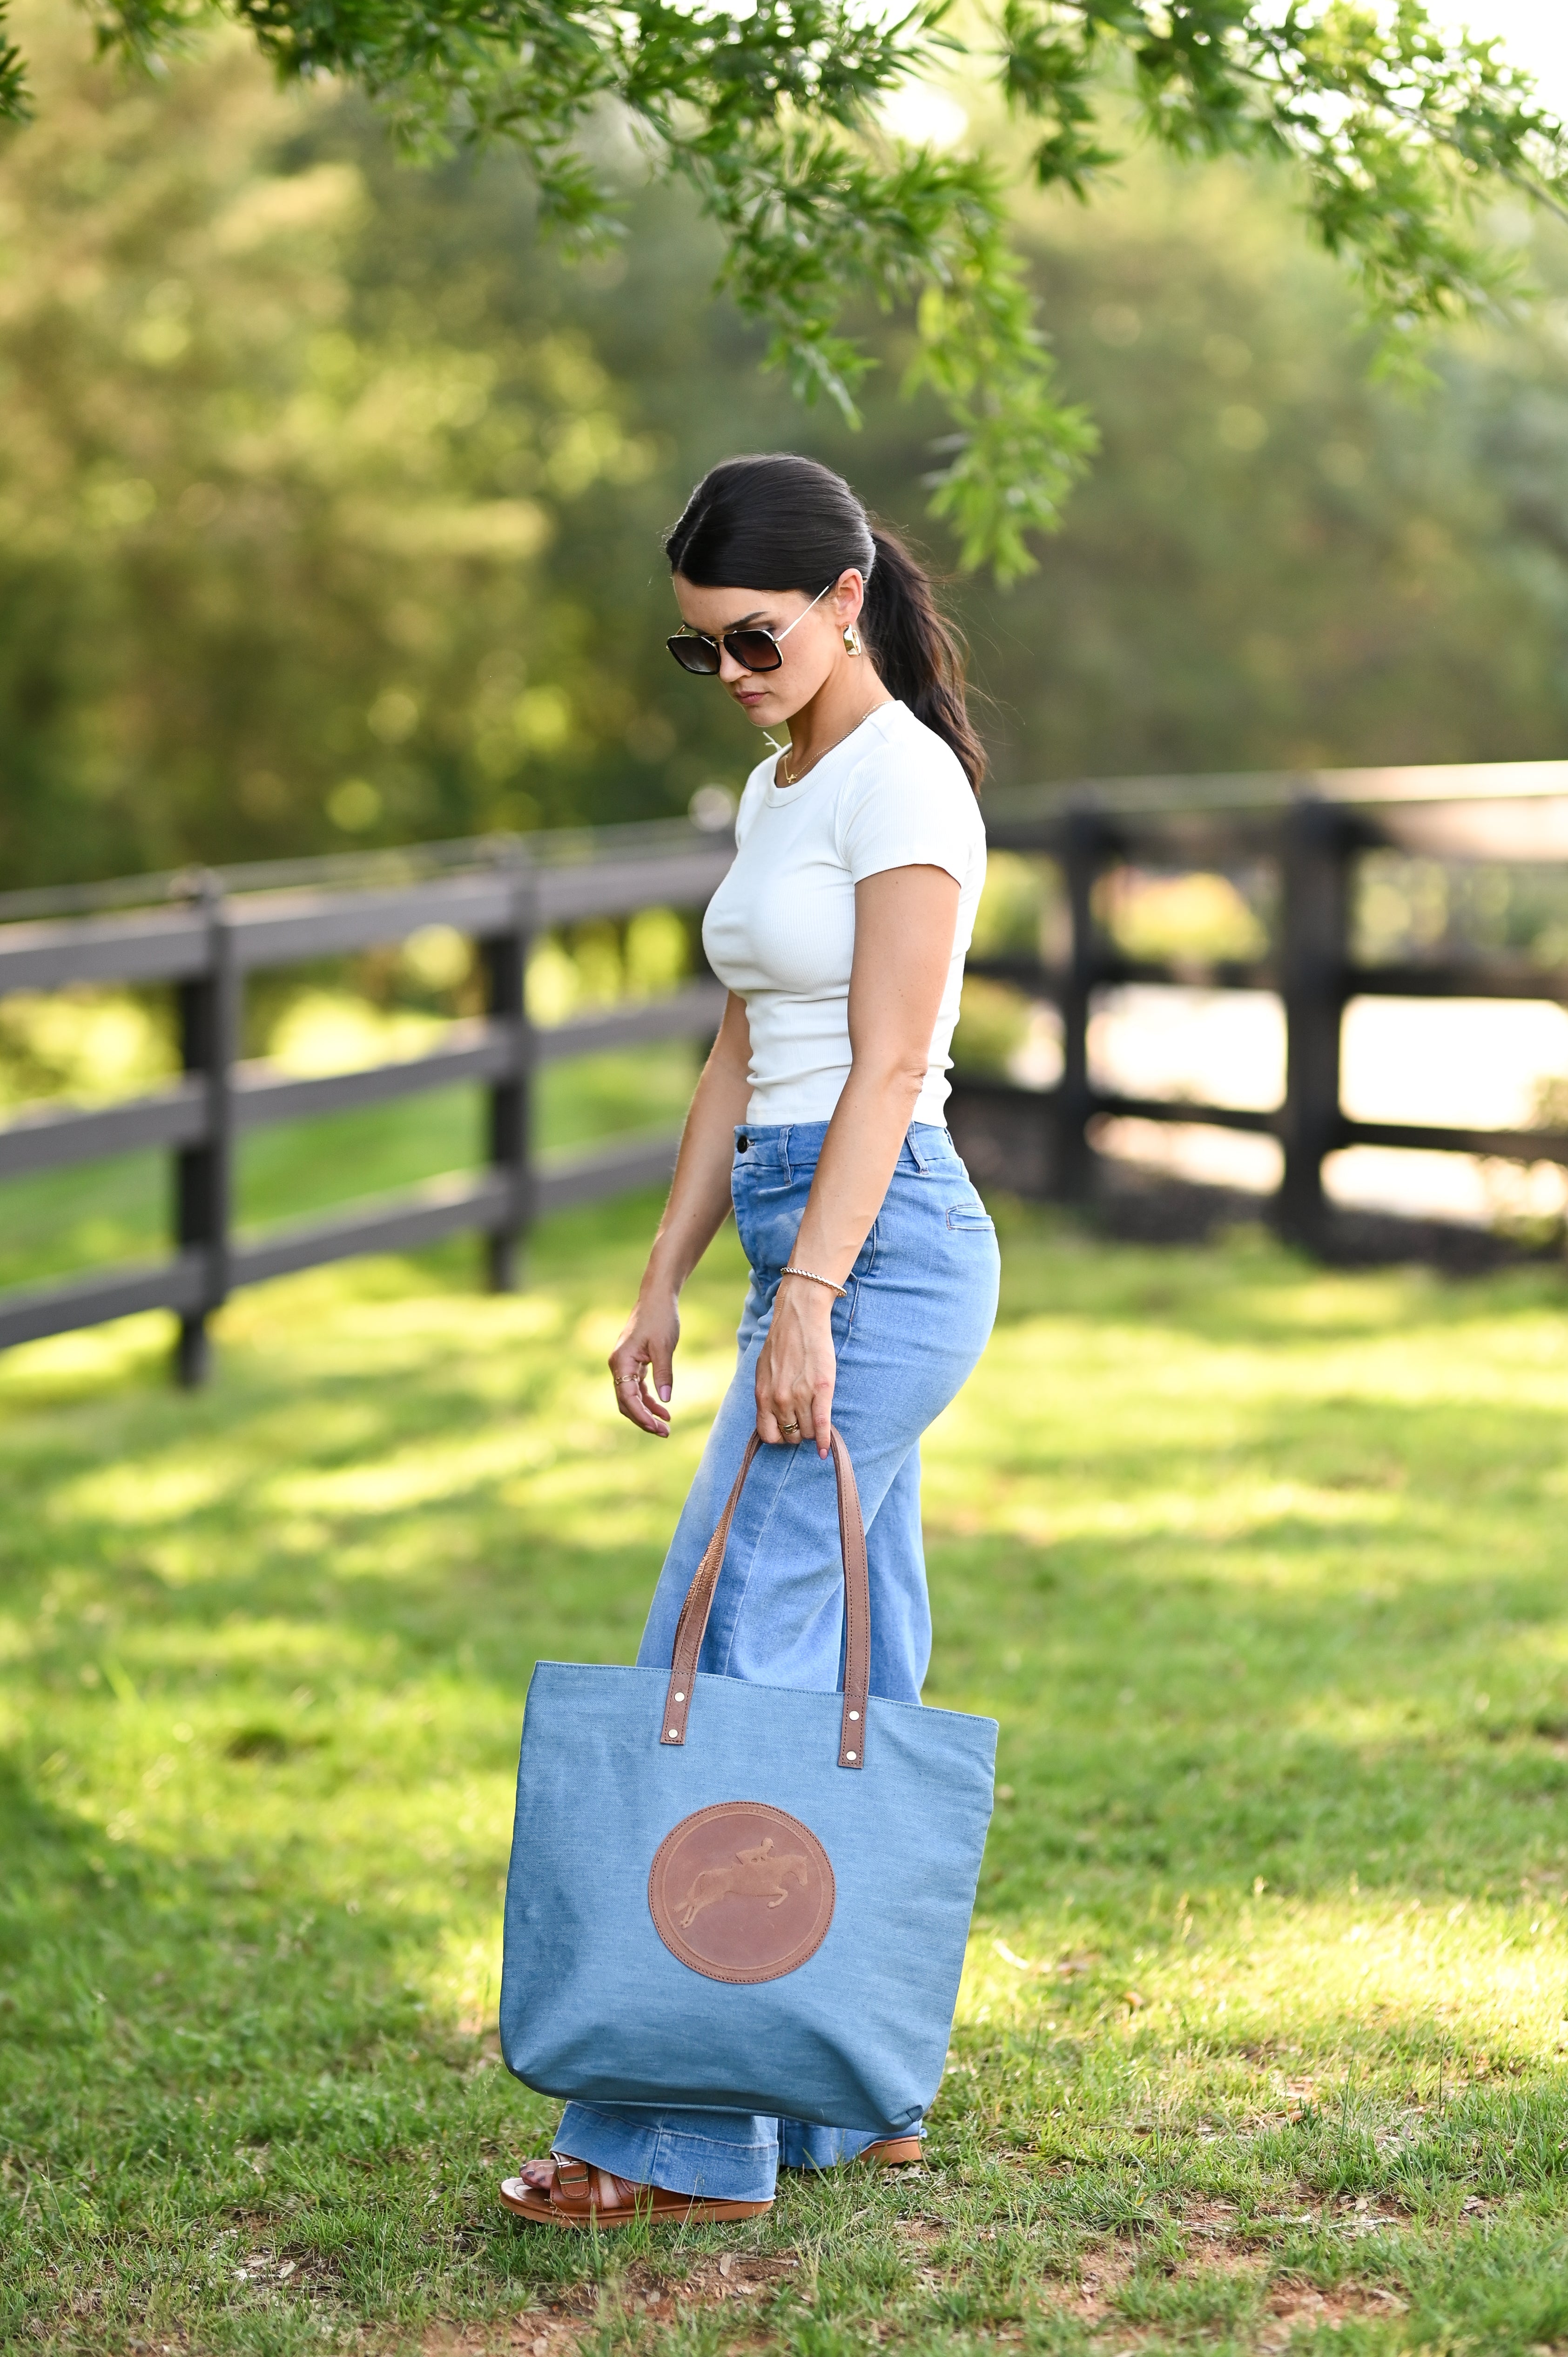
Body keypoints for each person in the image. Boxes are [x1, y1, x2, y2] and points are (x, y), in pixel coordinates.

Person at [501, 452, 1001, 2229]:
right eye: (698, 649)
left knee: (728, 1642)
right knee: (864, 1657)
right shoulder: (773, 789)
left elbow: (882, 1069)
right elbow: (738, 1062)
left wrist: (801, 1303)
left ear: (846, 600)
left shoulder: (905, 787)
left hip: (885, 1248)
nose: (731, 672)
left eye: (757, 638)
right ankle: (857, 2082)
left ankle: (681, 2132)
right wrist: (665, 1274)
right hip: (800, 1232)